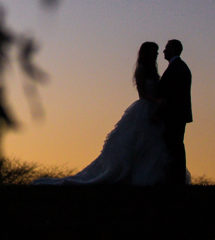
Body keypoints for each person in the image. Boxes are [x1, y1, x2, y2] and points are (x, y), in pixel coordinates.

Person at [32, 42, 171, 185]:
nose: (157, 54)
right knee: (137, 142)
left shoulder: (153, 71)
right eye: (155, 51)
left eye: (157, 51)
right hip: (145, 108)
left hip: (154, 109)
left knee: (152, 145)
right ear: (147, 53)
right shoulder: (141, 70)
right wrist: (157, 101)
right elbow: (142, 93)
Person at [158, 39, 192, 185]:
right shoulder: (178, 67)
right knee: (174, 145)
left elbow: (173, 94)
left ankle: (177, 178)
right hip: (176, 114)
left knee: (175, 145)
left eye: (166, 48)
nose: (164, 51)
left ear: (173, 49)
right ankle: (174, 177)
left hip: (174, 114)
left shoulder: (178, 68)